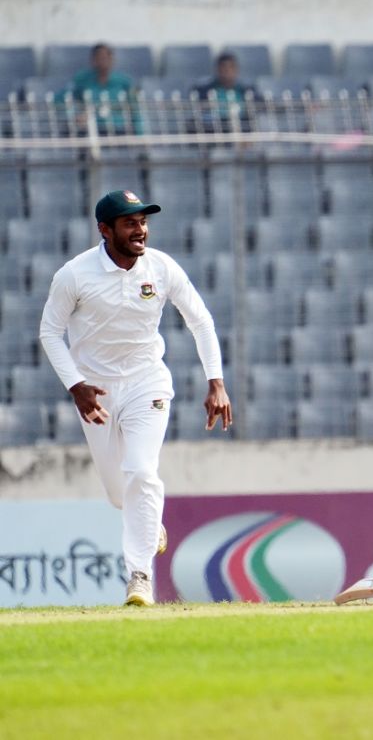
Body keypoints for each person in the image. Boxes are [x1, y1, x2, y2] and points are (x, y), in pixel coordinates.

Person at [39, 190, 233, 606]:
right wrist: (76, 386)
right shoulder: (74, 275)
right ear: (105, 230)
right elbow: (49, 333)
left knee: (142, 471)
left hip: (148, 383)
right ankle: (148, 523)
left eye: (143, 221)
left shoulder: (161, 267)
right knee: (119, 494)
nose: (140, 229)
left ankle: (139, 576)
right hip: (97, 393)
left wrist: (216, 382)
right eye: (130, 223)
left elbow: (201, 321)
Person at [68, 43, 139, 134]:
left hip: (119, 130)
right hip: (90, 130)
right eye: (99, 58)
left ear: (112, 59)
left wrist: (139, 134)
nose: (102, 62)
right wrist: (78, 115)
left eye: (105, 58)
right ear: (93, 60)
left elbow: (135, 109)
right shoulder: (82, 80)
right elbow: (69, 100)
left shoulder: (124, 82)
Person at [195, 52, 251, 132]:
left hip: (242, 129)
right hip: (215, 130)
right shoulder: (204, 92)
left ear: (236, 70)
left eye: (231, 67)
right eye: (224, 68)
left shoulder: (246, 91)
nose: (227, 71)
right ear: (218, 70)